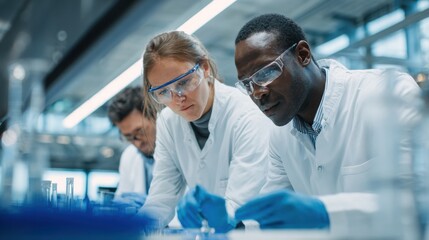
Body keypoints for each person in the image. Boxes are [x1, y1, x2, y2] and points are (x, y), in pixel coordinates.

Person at [231, 13, 421, 233]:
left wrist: (324, 211)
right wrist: (237, 224)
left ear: (302, 54)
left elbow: (416, 200)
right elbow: (271, 215)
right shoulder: (280, 137)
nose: (257, 93)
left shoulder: (388, 95)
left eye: (266, 73)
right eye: (247, 84)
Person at [138, 31, 273, 233]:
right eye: (163, 92)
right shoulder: (168, 121)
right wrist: (135, 227)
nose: (177, 99)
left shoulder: (246, 115)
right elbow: (161, 197)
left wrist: (218, 214)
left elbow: (238, 205)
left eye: (183, 82)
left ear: (204, 67)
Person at [107, 86, 157, 208]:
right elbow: (121, 201)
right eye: (128, 137)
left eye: (140, 132)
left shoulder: (177, 148)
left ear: (154, 116)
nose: (137, 143)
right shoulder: (129, 156)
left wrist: (151, 207)